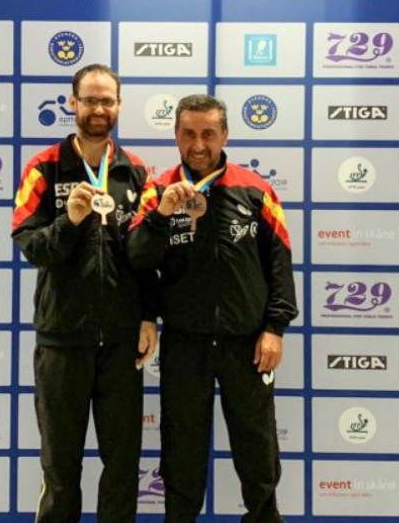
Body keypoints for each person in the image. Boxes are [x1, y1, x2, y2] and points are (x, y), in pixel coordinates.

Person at [127, 94, 298, 523]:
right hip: (187, 343)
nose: (198, 144)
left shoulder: (256, 190)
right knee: (182, 453)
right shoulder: (158, 189)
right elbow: (137, 259)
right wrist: (162, 214)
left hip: (249, 344)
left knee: (257, 453)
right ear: (176, 136)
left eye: (208, 133)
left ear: (225, 135)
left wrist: (275, 327)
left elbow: (279, 265)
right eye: (189, 134)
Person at [12, 63, 157, 523]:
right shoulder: (44, 167)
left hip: (119, 343)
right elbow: (30, 247)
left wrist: (149, 317)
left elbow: (146, 256)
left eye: (107, 100)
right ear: (72, 103)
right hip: (61, 340)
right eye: (89, 100)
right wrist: (69, 222)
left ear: (119, 106)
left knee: (121, 466)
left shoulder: (136, 171)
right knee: (60, 467)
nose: (98, 109)